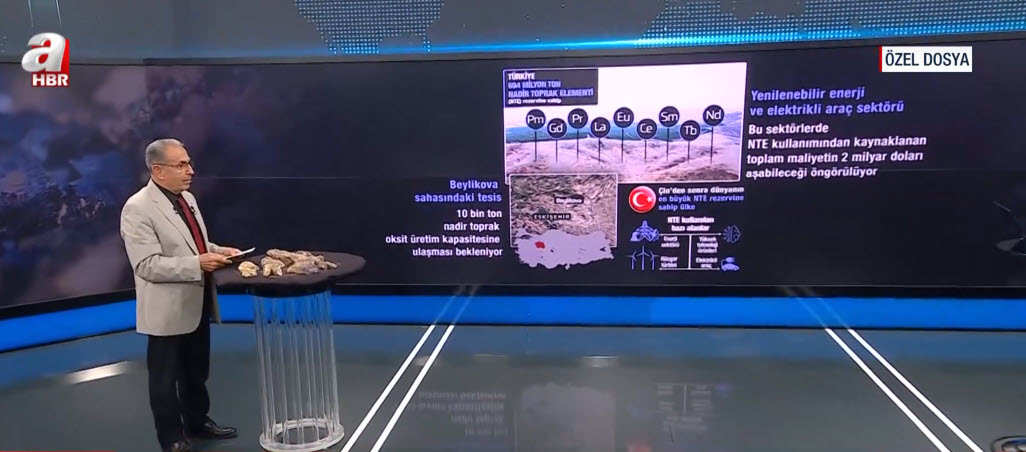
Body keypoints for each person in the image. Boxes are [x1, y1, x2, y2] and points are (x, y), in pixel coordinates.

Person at [119, 138, 240, 452]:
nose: (191, 170)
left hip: (196, 301)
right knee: (165, 379)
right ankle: (172, 439)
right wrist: (198, 263)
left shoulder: (187, 198)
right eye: (181, 165)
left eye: (189, 163)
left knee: (196, 371)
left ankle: (198, 423)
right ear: (158, 170)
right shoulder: (137, 208)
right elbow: (147, 265)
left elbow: (192, 244)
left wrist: (218, 251)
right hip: (166, 310)